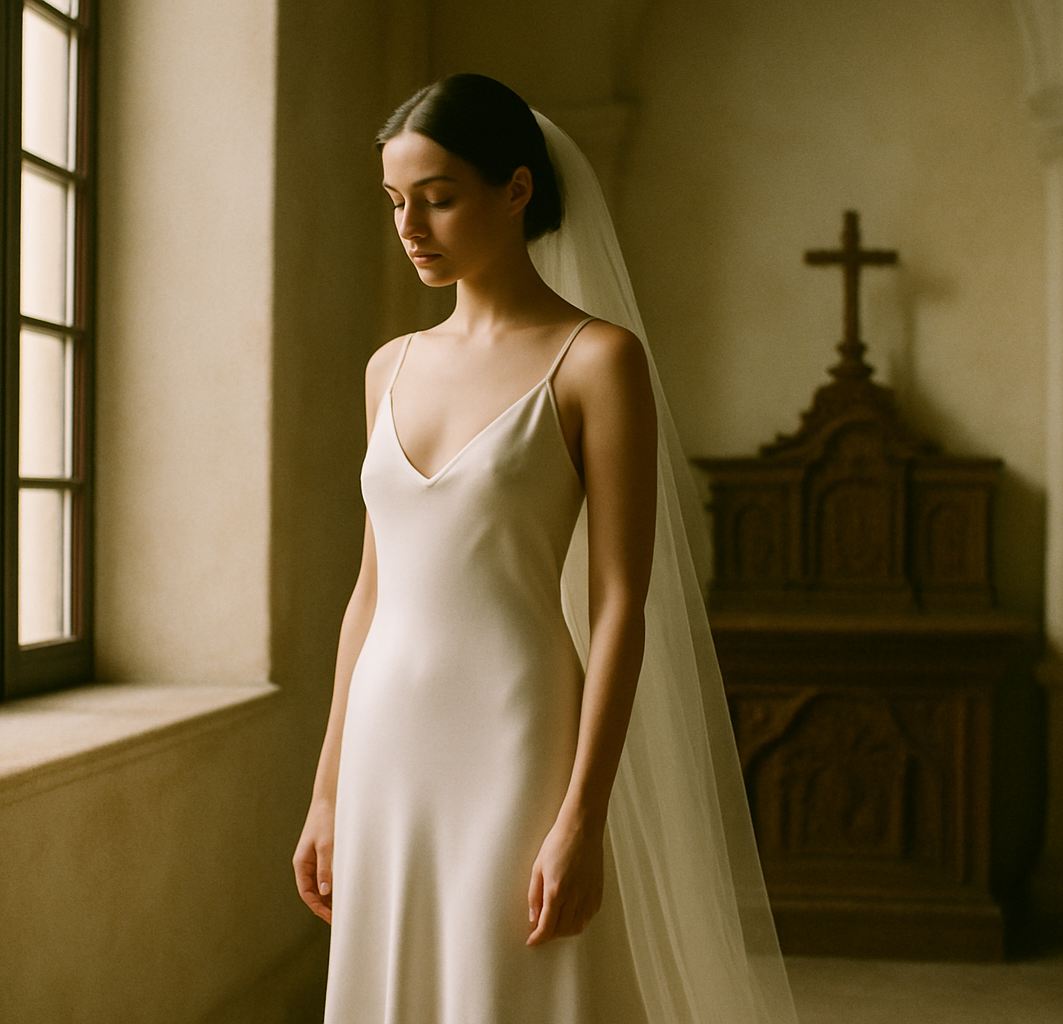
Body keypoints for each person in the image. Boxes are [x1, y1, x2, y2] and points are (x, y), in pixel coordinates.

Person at [293, 74, 799, 1024]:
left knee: (510, 992)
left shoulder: (598, 361)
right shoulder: (388, 368)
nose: (411, 227)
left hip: (517, 732)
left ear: (516, 190)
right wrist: (327, 790)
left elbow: (620, 603)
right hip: (385, 737)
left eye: (439, 199)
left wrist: (584, 813)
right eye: (397, 202)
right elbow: (370, 591)